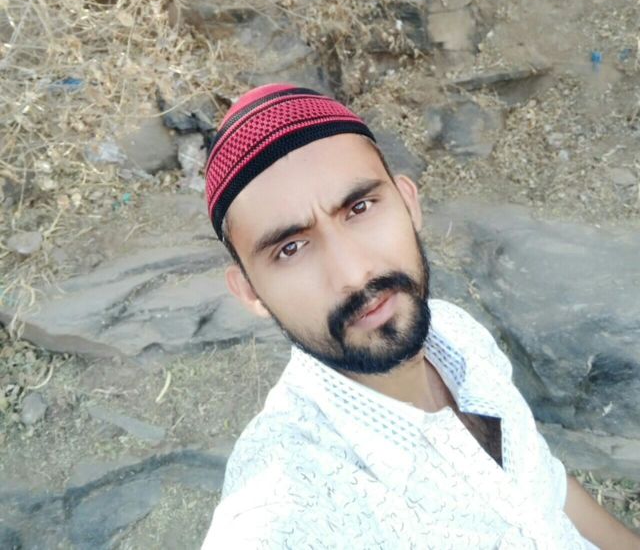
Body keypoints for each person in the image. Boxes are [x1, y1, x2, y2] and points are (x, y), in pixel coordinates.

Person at [201, 84, 639, 549]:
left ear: (409, 203)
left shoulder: (456, 332)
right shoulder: (279, 509)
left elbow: (545, 488)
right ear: (250, 292)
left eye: (360, 208)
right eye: (290, 248)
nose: (353, 273)